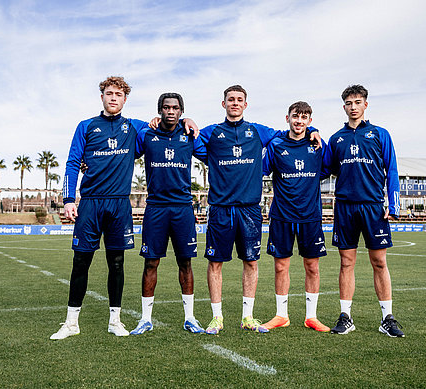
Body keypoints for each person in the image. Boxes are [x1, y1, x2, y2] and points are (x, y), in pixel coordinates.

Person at [50, 76, 197, 340]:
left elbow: (165, 126)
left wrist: (188, 121)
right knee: (80, 261)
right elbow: (73, 162)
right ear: (102, 97)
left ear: (125, 99)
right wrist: (69, 199)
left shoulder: (135, 128)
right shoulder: (86, 126)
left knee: (116, 263)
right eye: (109, 93)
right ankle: (71, 323)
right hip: (91, 203)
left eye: (119, 94)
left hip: (119, 203)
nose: (114, 97)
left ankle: (115, 321)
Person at [197, 85, 321, 334]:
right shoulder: (211, 133)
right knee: (215, 264)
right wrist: (188, 120)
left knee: (251, 262)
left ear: (245, 104)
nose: (235, 103)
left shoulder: (259, 131)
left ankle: (248, 317)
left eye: (239, 100)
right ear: (224, 104)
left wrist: (313, 130)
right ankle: (216, 317)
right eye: (230, 100)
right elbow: (192, 140)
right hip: (220, 208)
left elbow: (289, 133)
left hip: (250, 210)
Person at [324, 84, 404, 337]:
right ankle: (345, 316)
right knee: (346, 262)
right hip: (346, 206)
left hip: (372, 206)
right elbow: (327, 168)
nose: (353, 107)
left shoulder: (381, 134)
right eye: (348, 103)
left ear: (365, 105)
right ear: (344, 107)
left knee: (379, 261)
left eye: (357, 102)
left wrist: (394, 204)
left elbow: (391, 169)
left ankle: (387, 318)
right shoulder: (336, 139)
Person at [129, 93, 207, 335]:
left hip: (183, 207)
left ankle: (190, 318)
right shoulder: (147, 135)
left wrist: (193, 122)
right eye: (166, 107)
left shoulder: (190, 136)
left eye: (175, 108)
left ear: (181, 111)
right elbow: (123, 135)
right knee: (151, 262)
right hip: (156, 207)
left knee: (185, 262)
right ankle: (145, 319)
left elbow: (216, 152)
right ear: (159, 110)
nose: (170, 111)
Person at [261, 101, 330, 332]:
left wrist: (315, 133)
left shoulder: (318, 145)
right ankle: (282, 315)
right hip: (282, 215)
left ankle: (311, 316)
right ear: (287, 118)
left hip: (310, 216)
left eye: (304, 118)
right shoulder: (276, 145)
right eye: (295, 117)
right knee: (281, 267)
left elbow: (331, 167)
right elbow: (260, 170)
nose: (299, 121)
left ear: (310, 121)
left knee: (312, 267)